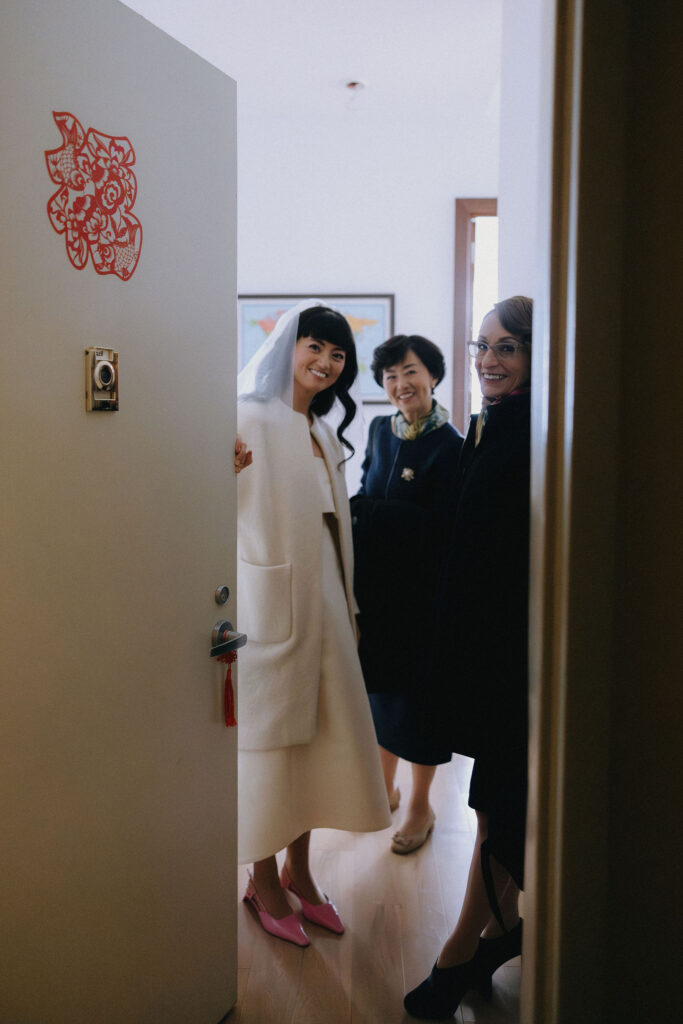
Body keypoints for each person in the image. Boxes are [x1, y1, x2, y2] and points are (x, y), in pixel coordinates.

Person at [236, 301, 391, 948]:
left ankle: (301, 871)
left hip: (328, 606)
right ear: (286, 348)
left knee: (319, 747)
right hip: (270, 608)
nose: (325, 363)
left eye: (336, 355)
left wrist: (349, 610)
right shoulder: (246, 417)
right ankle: (261, 878)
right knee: (272, 751)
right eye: (314, 348)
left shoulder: (320, 430)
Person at [404, 296, 533, 1018]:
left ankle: (464, 951)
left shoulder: (533, 430)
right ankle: (493, 935)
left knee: (498, 803)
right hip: (483, 648)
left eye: (506, 347)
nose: (488, 359)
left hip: (512, 653)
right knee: (497, 800)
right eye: (482, 345)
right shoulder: (492, 426)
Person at [351, 334, 463, 854]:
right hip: (377, 593)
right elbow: (366, 488)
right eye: (391, 376)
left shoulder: (454, 445)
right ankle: (385, 789)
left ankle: (421, 804)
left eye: (411, 372)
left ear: (433, 376)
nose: (401, 385)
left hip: (425, 598)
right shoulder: (377, 430)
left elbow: (443, 527)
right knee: (381, 695)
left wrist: (366, 514)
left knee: (420, 706)